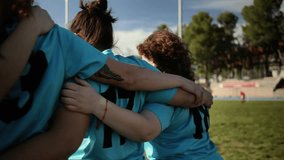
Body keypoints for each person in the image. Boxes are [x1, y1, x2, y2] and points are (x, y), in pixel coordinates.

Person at [0, 0, 210, 159]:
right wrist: (196, 91)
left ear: (78, 37)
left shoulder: (73, 70)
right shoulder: (142, 72)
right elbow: (181, 97)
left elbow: (65, 140)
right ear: (111, 36)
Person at [137, 30, 223, 160]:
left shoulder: (165, 101)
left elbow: (144, 131)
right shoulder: (194, 92)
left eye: (145, 63)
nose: (142, 69)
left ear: (160, 66)